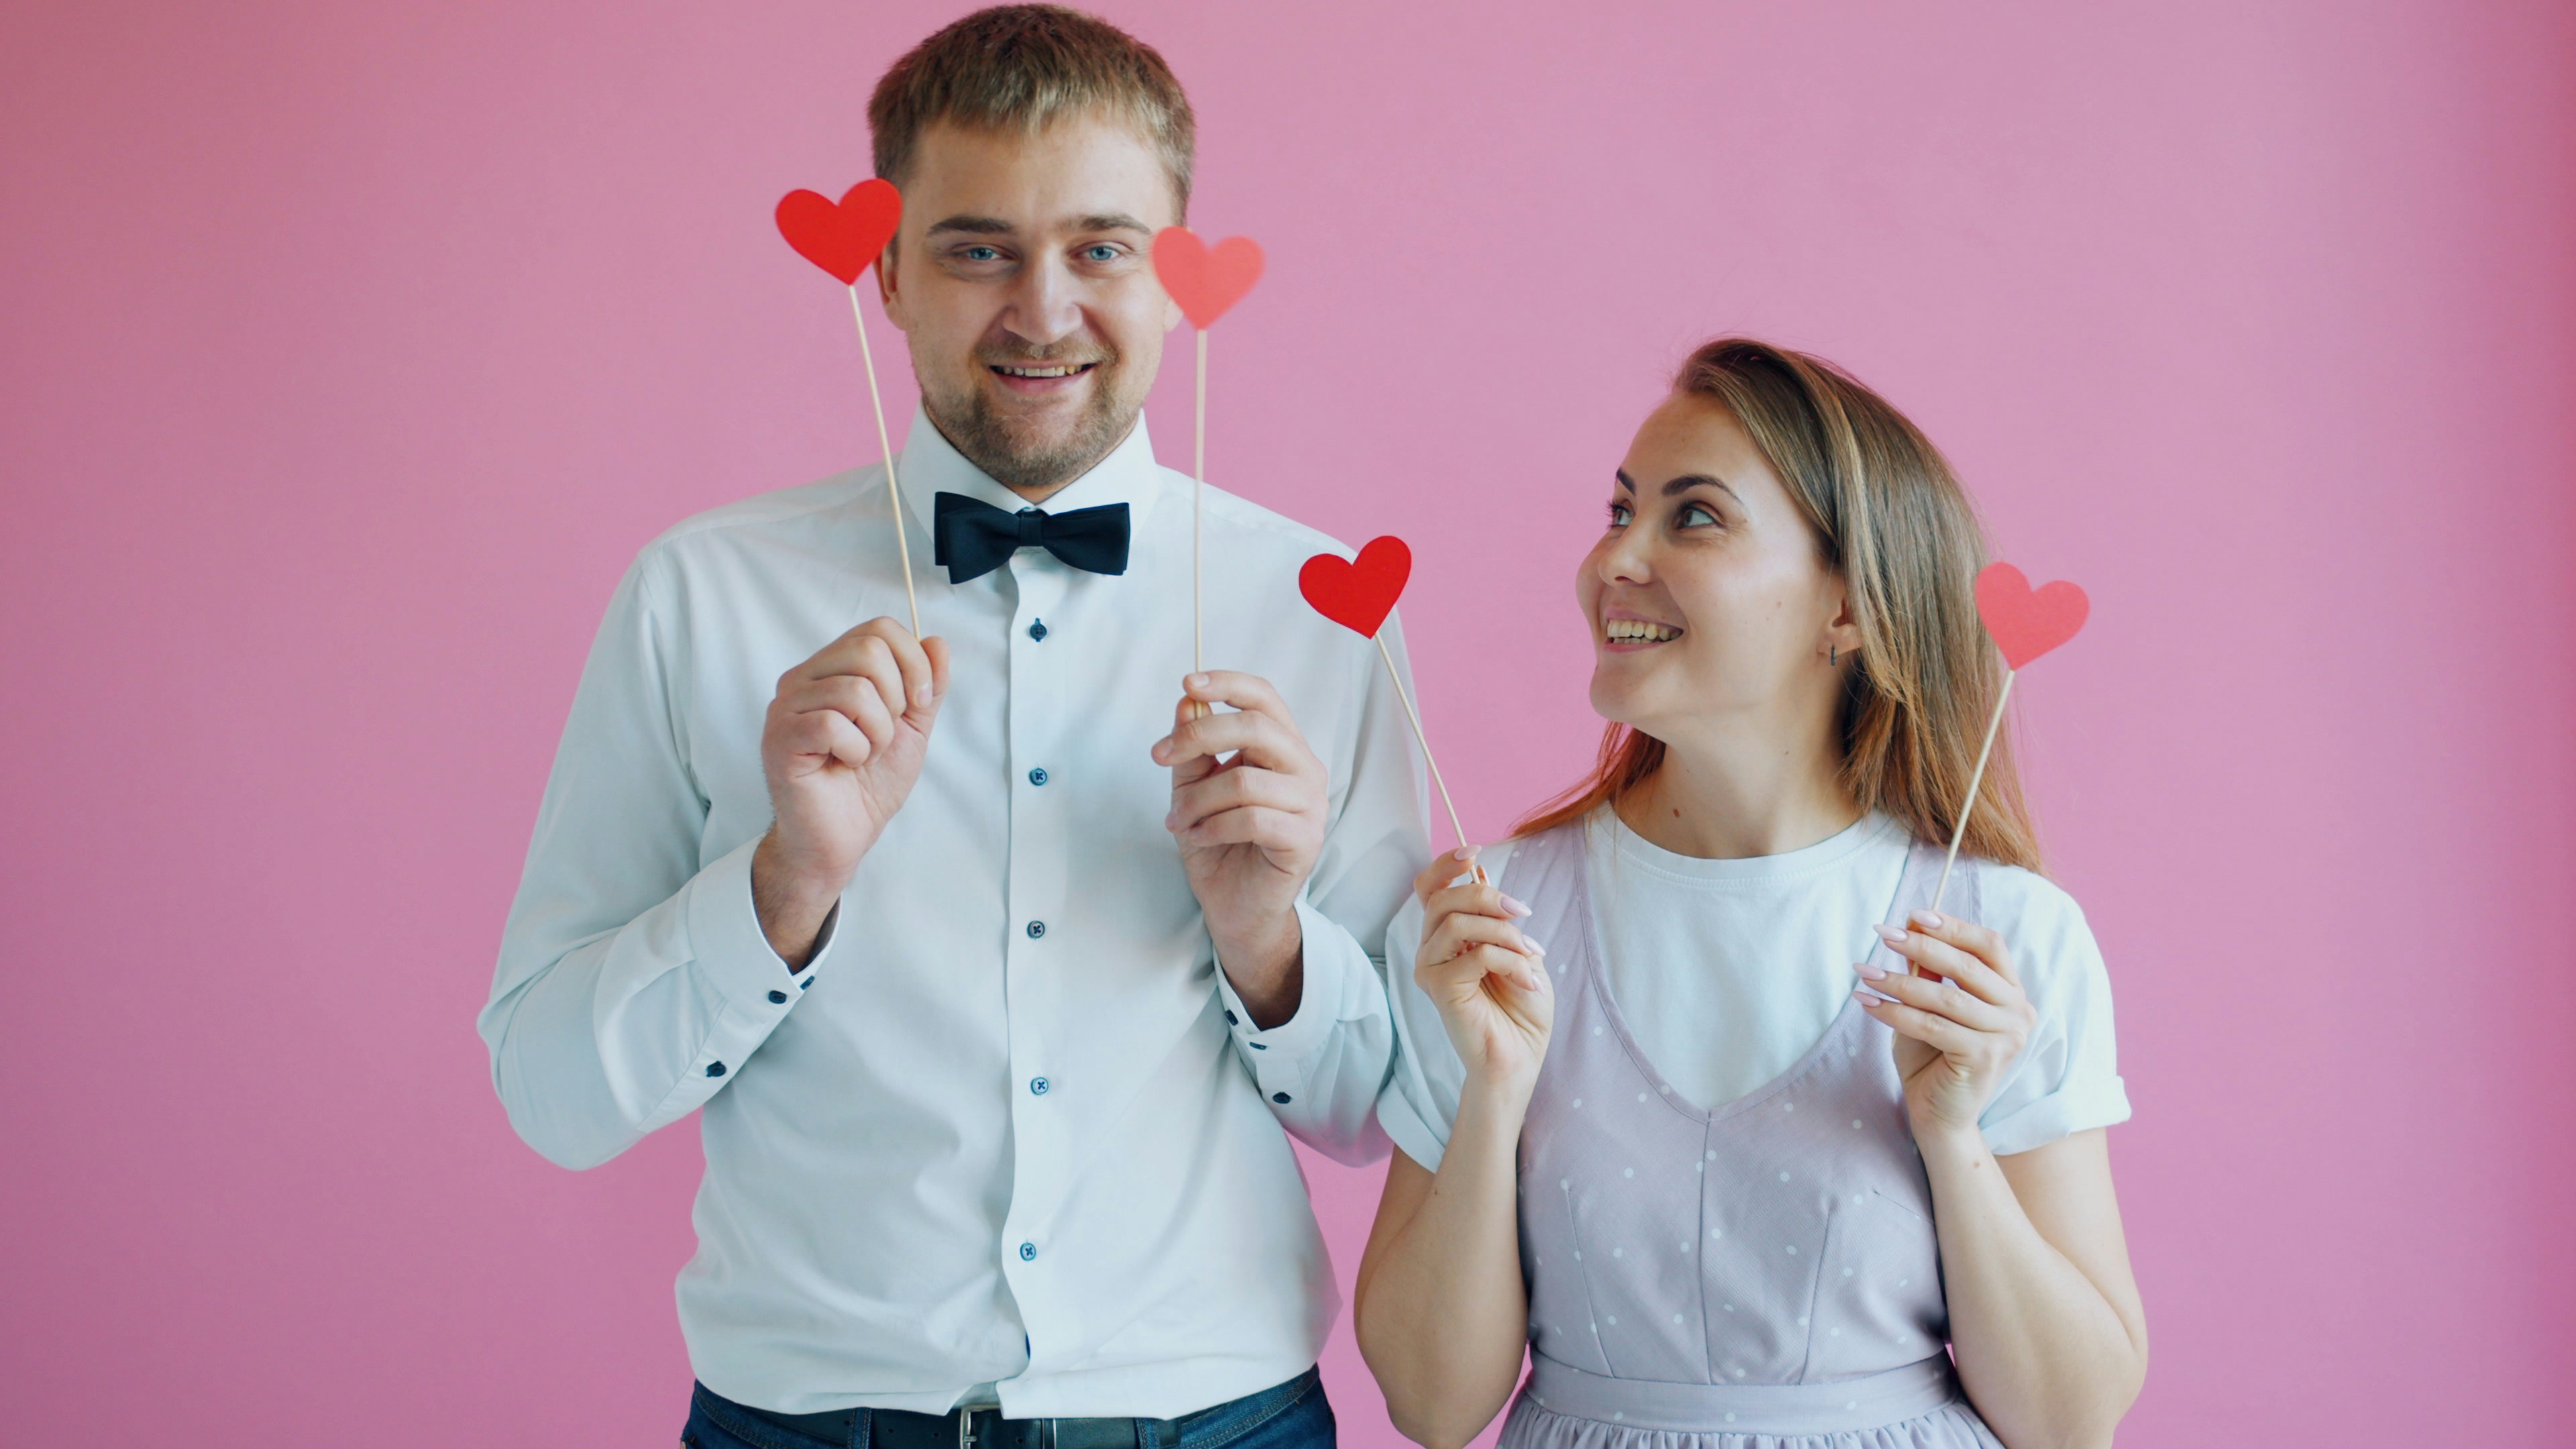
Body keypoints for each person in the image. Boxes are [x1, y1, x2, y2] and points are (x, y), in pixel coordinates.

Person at [476, 9, 1428, 1448]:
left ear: (1177, 275)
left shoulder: (1319, 612)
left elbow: (1382, 1113)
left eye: (1102, 247)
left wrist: (1270, 943)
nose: (1043, 312)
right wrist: (782, 888)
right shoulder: (701, 595)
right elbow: (552, 1095)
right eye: (978, 247)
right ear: (884, 273)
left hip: (1219, 1422)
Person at [1353, 339, 2148, 1449]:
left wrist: (1954, 1134)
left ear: (1847, 608)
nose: (1612, 558)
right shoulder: (1489, 924)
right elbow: (1433, 1406)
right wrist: (1492, 1094)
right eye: (1621, 508)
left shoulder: (2004, 937)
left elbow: (2071, 1422)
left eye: (1694, 517)